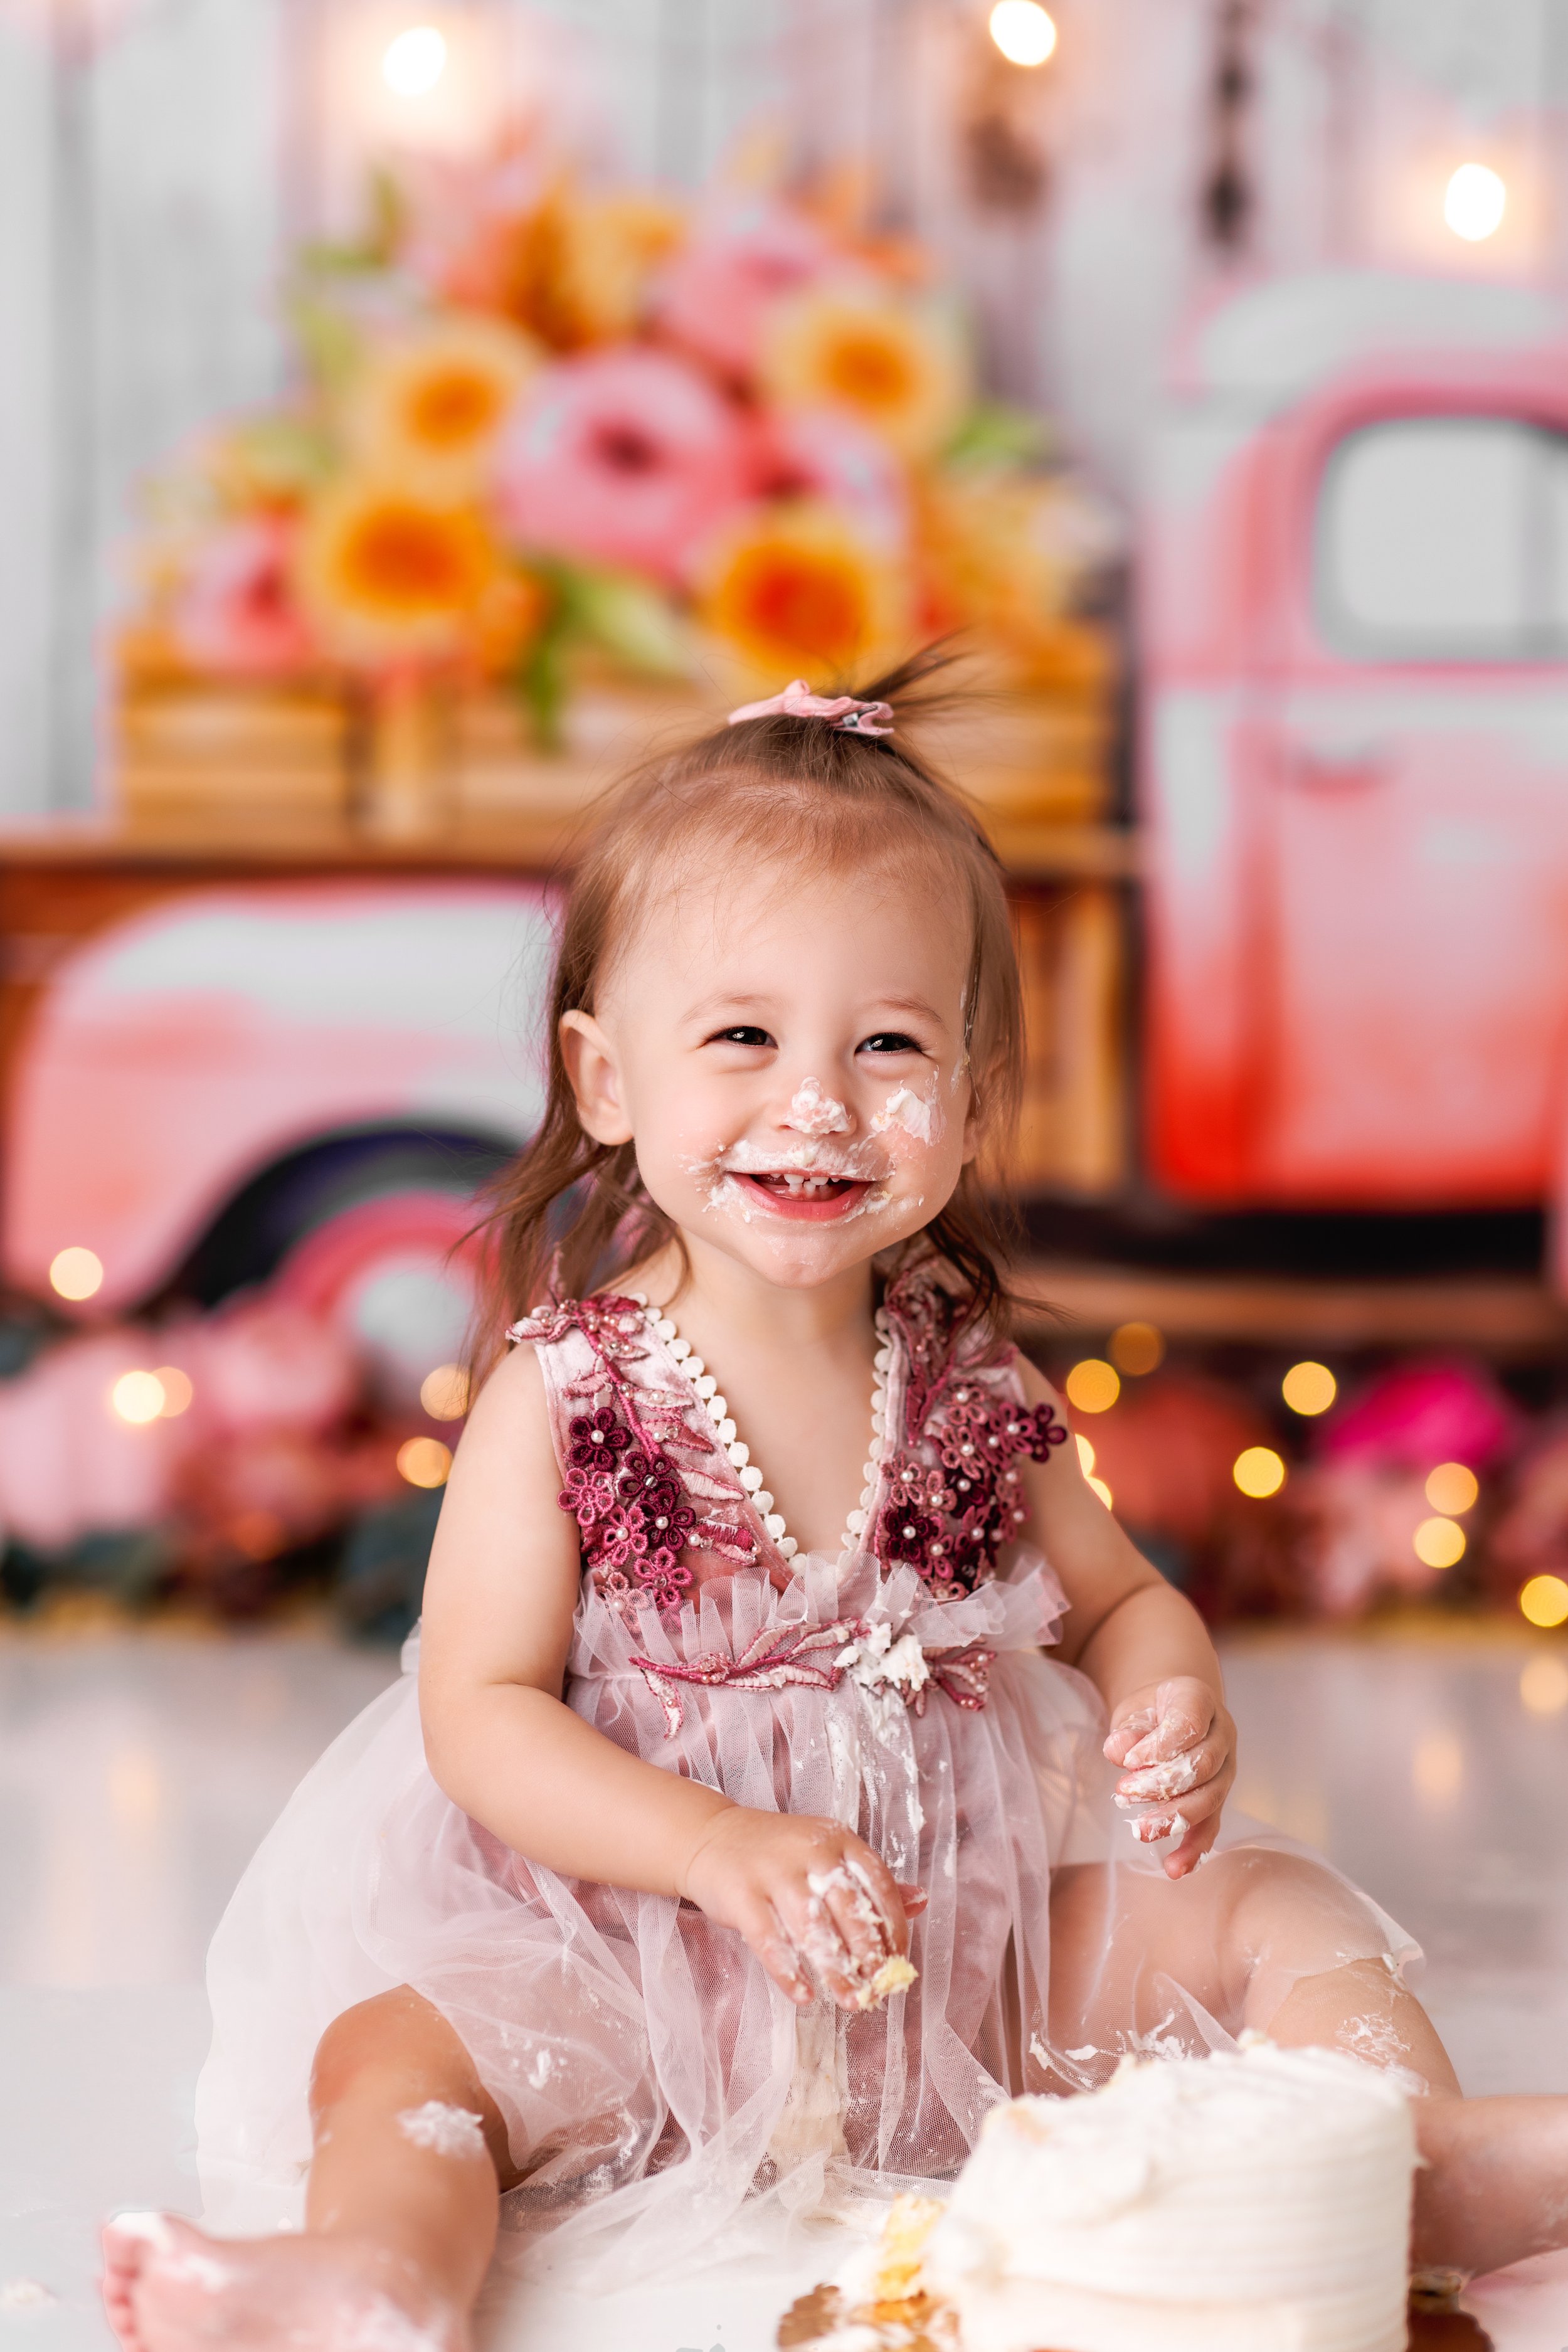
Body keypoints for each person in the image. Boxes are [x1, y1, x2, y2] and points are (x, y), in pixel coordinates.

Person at [103, 661, 1568, 2352]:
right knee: (396, 2053)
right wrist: (713, 1847)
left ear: (968, 1092)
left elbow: (1121, 1598)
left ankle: (1405, 2159)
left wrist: (1170, 1693)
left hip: (966, 1963)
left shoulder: (968, 1386)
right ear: (602, 1076)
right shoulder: (567, 1395)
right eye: (740, 1036)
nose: (816, 1101)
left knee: (1272, 1909)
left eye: (887, 1044)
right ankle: (373, 2275)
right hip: (632, 1971)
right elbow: (478, 1714)